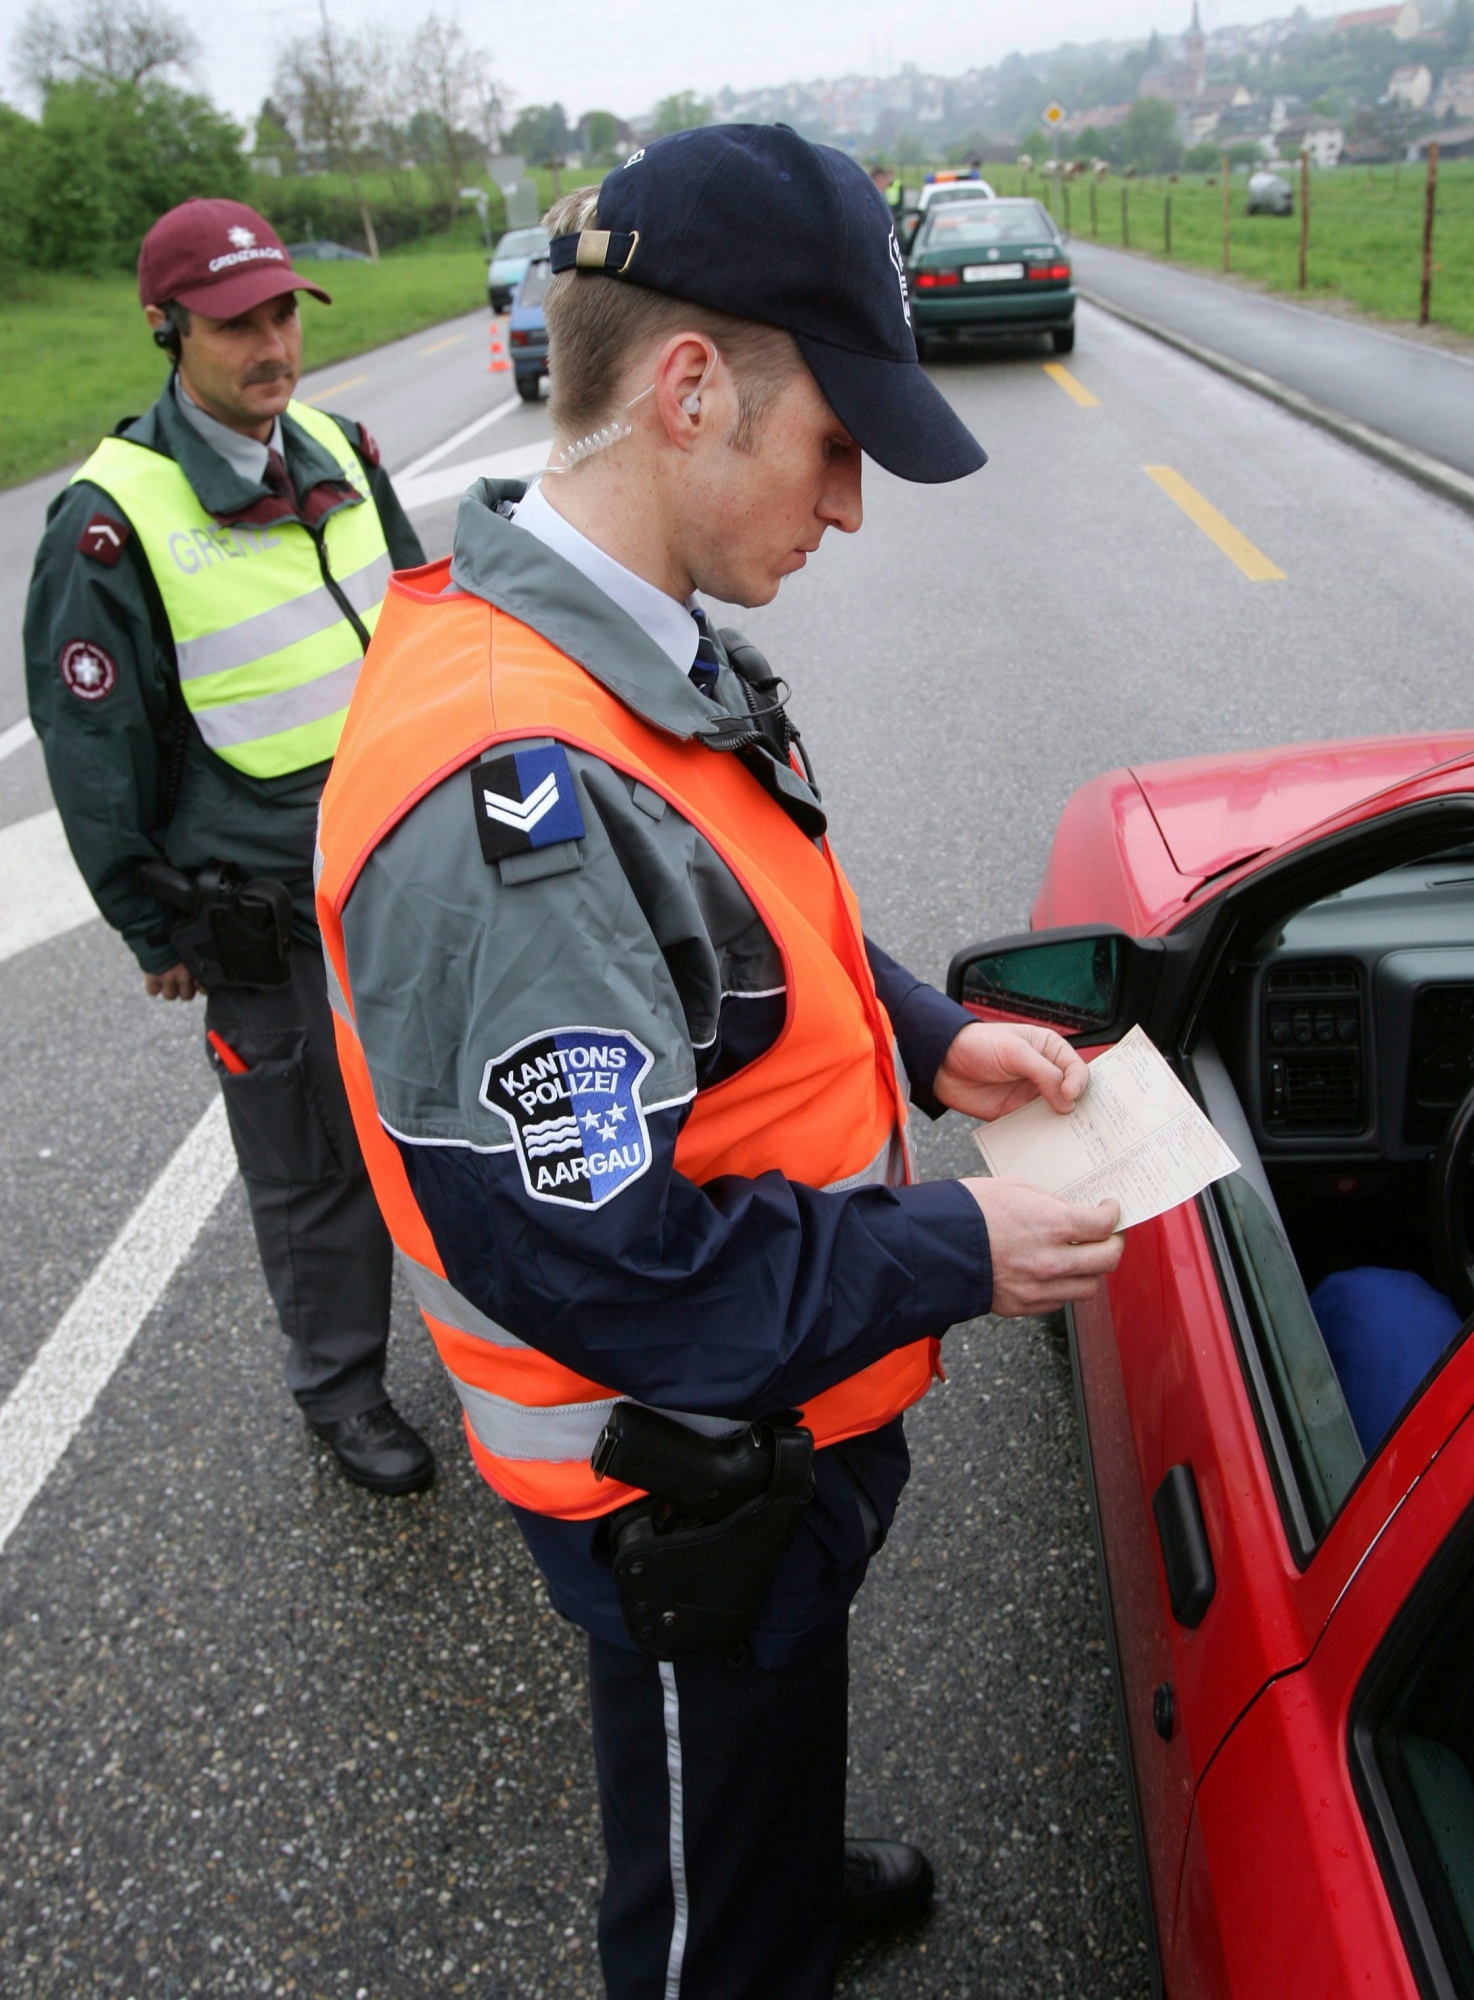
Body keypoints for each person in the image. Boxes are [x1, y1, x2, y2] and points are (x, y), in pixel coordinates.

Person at [315, 127, 1122, 1995]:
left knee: (767, 1722)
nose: (848, 510)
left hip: (768, 1428)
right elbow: (613, 1271)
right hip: (674, 1473)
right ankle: (739, 1920)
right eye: (835, 445)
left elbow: (739, 929)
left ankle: (772, 1853)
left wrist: (936, 1041)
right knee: (703, 1908)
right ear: (692, 389)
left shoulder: (623, 642)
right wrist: (957, 1255)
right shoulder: (514, 782)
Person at [24, 198, 434, 1496]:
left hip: (409, 873)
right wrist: (155, 927)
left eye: (279, 314)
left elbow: (422, 633)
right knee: (313, 1170)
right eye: (233, 323)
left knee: (458, 1125)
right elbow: (93, 756)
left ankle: (510, 1349)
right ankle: (341, 1392)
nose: (270, 345)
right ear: (164, 329)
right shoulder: (111, 521)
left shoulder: (339, 445)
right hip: (264, 903)